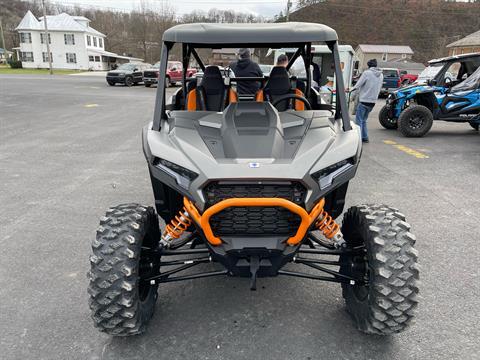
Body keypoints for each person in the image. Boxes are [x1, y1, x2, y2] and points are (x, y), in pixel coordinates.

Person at [351, 59, 383, 143]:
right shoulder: (381, 75)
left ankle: (358, 139)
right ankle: (364, 137)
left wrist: (350, 90)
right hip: (373, 102)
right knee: (364, 120)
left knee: (359, 120)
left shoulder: (367, 73)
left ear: (369, 66)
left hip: (364, 100)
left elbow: (358, 85)